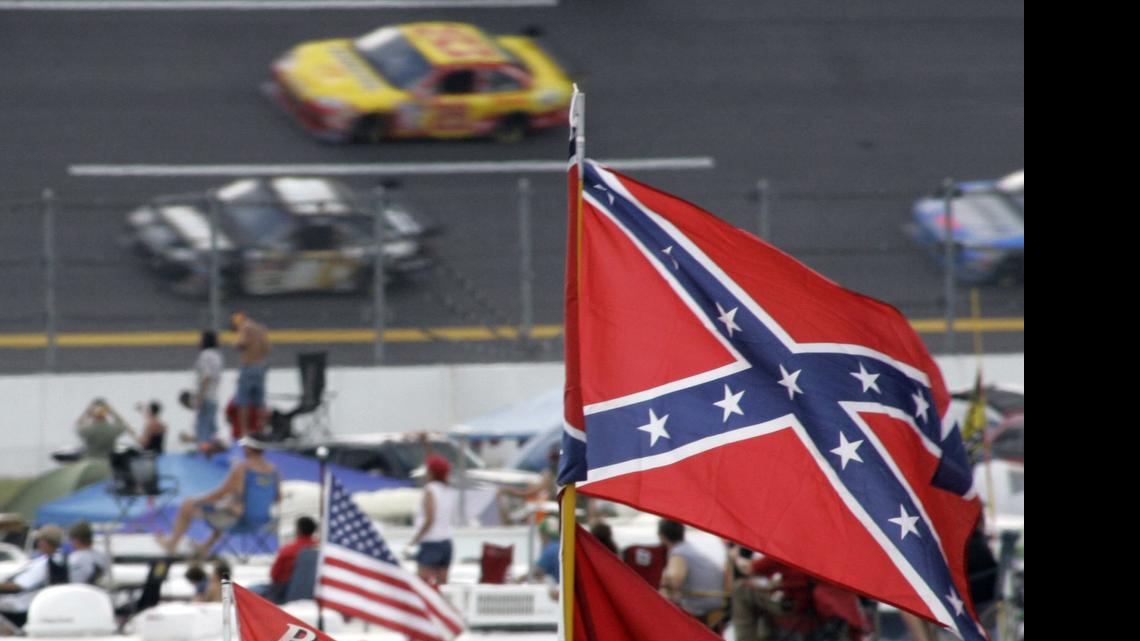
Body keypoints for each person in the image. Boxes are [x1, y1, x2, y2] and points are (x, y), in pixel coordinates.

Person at [156, 437, 280, 557]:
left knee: (188, 504)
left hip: (239, 521)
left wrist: (199, 500)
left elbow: (221, 493)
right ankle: (205, 547)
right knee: (224, 507)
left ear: (249, 448)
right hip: (262, 521)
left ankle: (172, 544)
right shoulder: (273, 470)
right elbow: (278, 497)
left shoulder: (243, 468)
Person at [657, 519, 726, 626]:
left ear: (662, 537)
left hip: (698, 603)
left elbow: (674, 581)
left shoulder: (679, 553)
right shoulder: (690, 549)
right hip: (717, 599)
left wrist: (664, 579)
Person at [0, 525, 67, 627]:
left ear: (44, 542)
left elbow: (18, 586)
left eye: (39, 540)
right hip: (25, 605)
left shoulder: (45, 564)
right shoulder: (53, 561)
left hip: (22, 607)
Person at [408, 455, 458, 588]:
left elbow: (430, 519)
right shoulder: (449, 490)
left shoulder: (430, 490)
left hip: (431, 542)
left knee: (423, 585)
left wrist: (415, 539)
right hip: (446, 541)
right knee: (442, 586)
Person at [231, 313, 270, 439]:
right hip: (260, 367)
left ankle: (244, 433)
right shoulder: (261, 328)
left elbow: (242, 343)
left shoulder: (245, 327)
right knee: (260, 403)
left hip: (248, 367)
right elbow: (267, 348)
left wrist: (235, 343)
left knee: (243, 402)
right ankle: (261, 430)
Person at [262, 516, 318, 602]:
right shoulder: (319, 549)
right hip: (313, 590)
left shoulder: (288, 550)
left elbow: (274, 575)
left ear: (298, 530)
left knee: (253, 590)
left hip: (284, 591)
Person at [192, 330, 223, 452]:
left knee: (202, 429)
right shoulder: (217, 355)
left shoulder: (205, 355)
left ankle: (203, 452)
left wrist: (200, 396)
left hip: (206, 396)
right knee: (211, 428)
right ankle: (212, 450)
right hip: (214, 396)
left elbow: (206, 376)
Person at [66, 521, 108, 585]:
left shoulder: (74, 559)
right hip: (96, 591)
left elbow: (73, 581)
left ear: (76, 540)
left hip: (78, 591)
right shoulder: (101, 556)